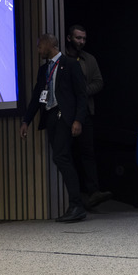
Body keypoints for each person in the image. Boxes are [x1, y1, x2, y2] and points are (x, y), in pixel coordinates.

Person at [20, 34, 88, 222]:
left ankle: (77, 205)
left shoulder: (70, 64)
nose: (38, 50)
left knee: (61, 157)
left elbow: (82, 96)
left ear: (49, 45)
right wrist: (26, 121)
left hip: (65, 118)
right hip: (50, 118)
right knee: (61, 158)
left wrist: (78, 120)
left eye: (39, 46)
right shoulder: (44, 70)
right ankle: (75, 205)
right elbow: (36, 98)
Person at [65, 24, 112, 208]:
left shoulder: (89, 59)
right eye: (78, 38)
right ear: (69, 38)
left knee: (88, 153)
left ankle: (93, 192)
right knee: (67, 154)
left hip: (85, 112)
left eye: (84, 38)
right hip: (66, 113)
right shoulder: (62, 58)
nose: (81, 42)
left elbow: (99, 82)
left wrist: (82, 91)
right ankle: (70, 197)